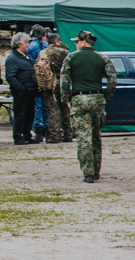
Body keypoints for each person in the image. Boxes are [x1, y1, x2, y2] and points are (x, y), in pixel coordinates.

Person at [63, 30, 118, 182]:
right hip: (97, 99)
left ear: (83, 42)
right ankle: (96, 171)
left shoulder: (71, 57)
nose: (75, 44)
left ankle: (88, 173)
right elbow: (113, 78)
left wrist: (66, 98)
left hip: (79, 99)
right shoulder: (102, 58)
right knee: (96, 136)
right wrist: (107, 94)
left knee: (83, 137)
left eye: (77, 41)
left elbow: (64, 80)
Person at [36, 32, 72, 143]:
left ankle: (54, 135)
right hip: (64, 83)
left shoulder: (43, 53)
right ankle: (68, 134)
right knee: (66, 109)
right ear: (57, 41)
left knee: (53, 110)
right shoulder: (65, 53)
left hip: (50, 84)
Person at [5, 33, 38, 144]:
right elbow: (10, 76)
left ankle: (27, 134)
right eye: (26, 42)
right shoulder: (13, 58)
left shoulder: (26, 56)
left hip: (30, 91)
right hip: (21, 92)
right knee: (20, 114)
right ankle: (18, 136)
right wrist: (21, 88)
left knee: (30, 114)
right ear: (19, 44)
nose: (28, 45)